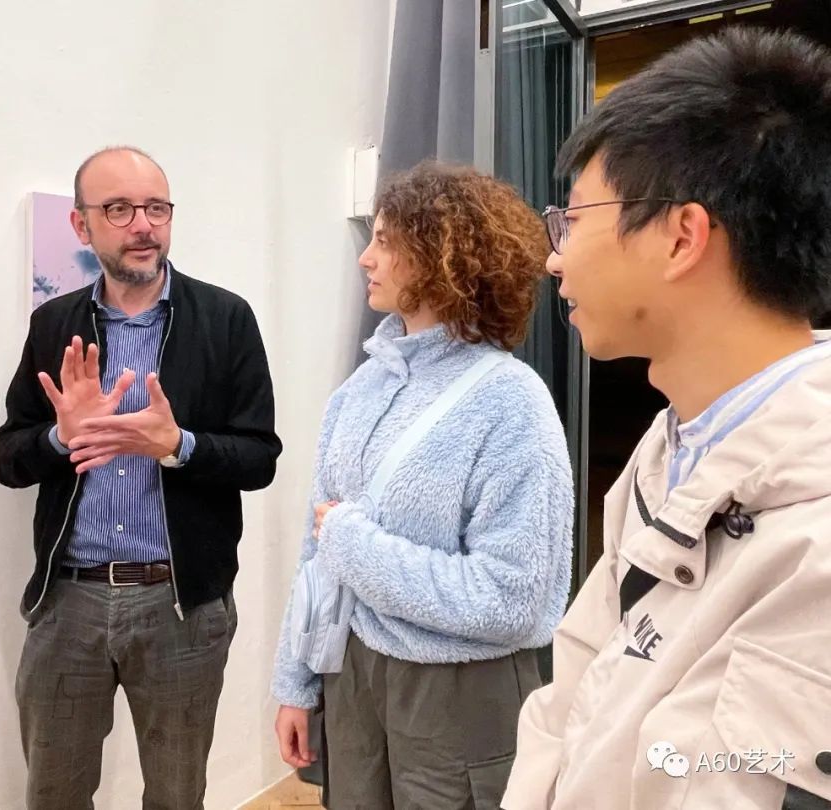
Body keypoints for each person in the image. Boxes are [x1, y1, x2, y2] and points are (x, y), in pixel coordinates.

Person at [502, 28, 831, 810]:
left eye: (572, 219)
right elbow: (574, 687)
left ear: (683, 237)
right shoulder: (673, 448)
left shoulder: (813, 542)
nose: (554, 258)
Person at [270, 161, 575, 809]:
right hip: (353, 674)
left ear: (441, 255)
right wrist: (297, 681)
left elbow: (514, 600)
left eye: (385, 241)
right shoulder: (360, 390)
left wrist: (354, 543)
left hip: (459, 691)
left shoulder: (511, 402)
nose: (366, 258)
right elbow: (316, 552)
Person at [0, 145, 282, 810]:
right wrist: (61, 437)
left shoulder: (225, 318)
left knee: (177, 796)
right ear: (82, 225)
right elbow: (8, 458)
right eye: (119, 209)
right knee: (53, 795)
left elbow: (260, 457)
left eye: (156, 208)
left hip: (181, 604)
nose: (143, 225)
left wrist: (179, 445)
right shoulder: (54, 325)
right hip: (67, 603)